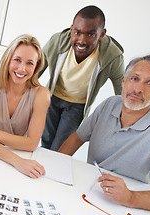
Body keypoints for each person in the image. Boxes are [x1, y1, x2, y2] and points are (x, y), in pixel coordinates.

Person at [59, 55, 150, 213]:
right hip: (88, 193)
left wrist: (130, 197)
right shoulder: (110, 104)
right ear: (124, 82)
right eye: (134, 78)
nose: (137, 89)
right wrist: (54, 167)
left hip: (128, 208)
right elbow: (77, 138)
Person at [40, 5, 125, 151]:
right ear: (71, 28)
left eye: (91, 34)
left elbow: (122, 88)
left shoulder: (112, 55)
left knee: (60, 149)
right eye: (77, 32)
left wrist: (123, 120)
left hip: (77, 106)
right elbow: (36, 69)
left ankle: (51, 171)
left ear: (102, 34)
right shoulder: (58, 41)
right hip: (52, 98)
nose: (82, 40)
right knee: (46, 142)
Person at [0, 34, 50, 178]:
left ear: (36, 66)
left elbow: (31, 143)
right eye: (17, 60)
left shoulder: (41, 95)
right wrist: (17, 161)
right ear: (7, 60)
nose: (22, 69)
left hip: (23, 160)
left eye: (30, 63)